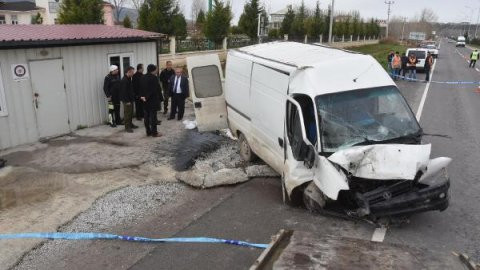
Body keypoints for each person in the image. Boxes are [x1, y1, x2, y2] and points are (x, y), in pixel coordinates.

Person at [140, 64, 163, 137]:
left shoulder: (142, 77)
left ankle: (148, 132)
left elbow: (140, 88)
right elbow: (153, 90)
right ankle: (154, 133)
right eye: (156, 69)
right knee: (153, 117)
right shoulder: (154, 78)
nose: (157, 71)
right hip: (152, 100)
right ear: (153, 70)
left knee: (146, 117)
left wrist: (142, 97)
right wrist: (147, 97)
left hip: (144, 100)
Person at [120, 66, 138, 133]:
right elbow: (124, 92)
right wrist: (127, 101)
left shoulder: (129, 78)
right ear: (128, 72)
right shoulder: (124, 80)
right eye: (132, 72)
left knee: (130, 113)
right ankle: (127, 127)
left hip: (130, 99)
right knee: (127, 114)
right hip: (127, 100)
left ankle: (130, 124)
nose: (133, 74)